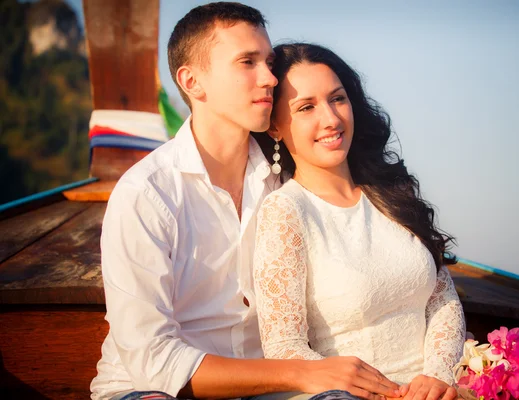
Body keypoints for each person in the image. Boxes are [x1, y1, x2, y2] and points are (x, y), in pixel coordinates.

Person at [90, 3, 402, 400]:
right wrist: (299, 375)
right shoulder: (146, 193)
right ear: (192, 81)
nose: (270, 78)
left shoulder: (288, 182)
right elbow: (154, 360)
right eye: (247, 62)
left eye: (269, 62)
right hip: (153, 390)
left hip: (271, 389)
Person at [252, 43, 466, 400]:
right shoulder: (286, 212)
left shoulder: (391, 193)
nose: (332, 119)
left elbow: (442, 299)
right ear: (275, 128)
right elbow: (284, 346)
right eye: (306, 107)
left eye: (337, 99)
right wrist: (380, 392)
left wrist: (438, 376)